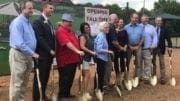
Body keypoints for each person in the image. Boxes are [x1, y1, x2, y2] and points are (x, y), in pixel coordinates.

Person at [9, 1, 39, 101]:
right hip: (19, 55)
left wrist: (31, 53)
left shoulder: (27, 22)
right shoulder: (18, 22)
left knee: (24, 83)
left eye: (32, 8)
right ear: (23, 9)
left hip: (27, 56)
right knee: (17, 84)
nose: (32, 10)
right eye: (29, 8)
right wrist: (32, 53)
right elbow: (19, 43)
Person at [56, 13, 84, 99]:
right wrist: (78, 51)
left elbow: (75, 42)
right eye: (68, 21)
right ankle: (62, 96)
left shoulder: (70, 31)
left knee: (70, 78)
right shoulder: (60, 31)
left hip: (73, 60)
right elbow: (68, 44)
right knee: (64, 79)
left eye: (71, 21)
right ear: (63, 21)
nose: (70, 23)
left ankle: (67, 93)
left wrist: (78, 52)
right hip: (65, 60)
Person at [32, 2, 55, 100]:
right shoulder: (37, 21)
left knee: (45, 78)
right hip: (41, 56)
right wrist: (50, 50)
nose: (52, 10)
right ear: (44, 8)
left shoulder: (49, 22)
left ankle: (43, 95)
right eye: (50, 8)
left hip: (48, 56)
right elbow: (39, 38)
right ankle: (37, 98)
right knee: (39, 78)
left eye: (53, 9)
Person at [124, 13, 144, 81]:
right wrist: (130, 46)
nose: (136, 19)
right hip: (129, 47)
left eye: (137, 18)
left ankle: (136, 78)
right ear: (131, 18)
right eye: (134, 18)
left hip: (138, 47)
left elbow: (143, 37)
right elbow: (124, 38)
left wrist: (138, 46)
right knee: (127, 63)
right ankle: (126, 78)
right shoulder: (126, 27)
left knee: (138, 63)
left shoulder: (140, 27)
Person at [94, 21, 113, 93]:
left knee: (101, 74)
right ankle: (100, 91)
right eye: (106, 27)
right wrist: (108, 51)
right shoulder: (101, 36)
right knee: (101, 74)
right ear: (102, 28)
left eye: (108, 27)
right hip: (100, 58)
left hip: (102, 58)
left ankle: (100, 90)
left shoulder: (103, 35)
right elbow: (99, 49)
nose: (108, 28)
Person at [153, 16, 172, 84]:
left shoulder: (165, 29)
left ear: (161, 22)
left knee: (162, 63)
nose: (158, 22)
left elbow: (168, 38)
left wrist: (170, 46)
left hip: (161, 48)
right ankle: (153, 76)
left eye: (160, 21)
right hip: (153, 48)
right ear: (155, 21)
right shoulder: (152, 28)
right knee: (153, 63)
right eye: (157, 21)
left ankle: (163, 78)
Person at [79, 22, 96, 99]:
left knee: (85, 75)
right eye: (86, 28)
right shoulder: (83, 36)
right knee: (87, 75)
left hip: (88, 57)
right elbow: (82, 47)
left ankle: (82, 90)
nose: (88, 28)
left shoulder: (90, 36)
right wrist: (91, 52)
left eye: (88, 27)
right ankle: (84, 92)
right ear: (83, 29)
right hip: (84, 58)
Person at [140, 15, 158, 83]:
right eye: (142, 19)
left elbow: (155, 37)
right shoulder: (138, 27)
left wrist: (153, 45)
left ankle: (146, 77)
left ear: (147, 20)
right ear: (141, 20)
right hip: (139, 48)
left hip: (148, 49)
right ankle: (140, 77)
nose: (144, 20)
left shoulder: (151, 27)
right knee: (139, 64)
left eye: (145, 19)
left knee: (148, 64)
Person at [112, 18, 128, 86]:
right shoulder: (114, 31)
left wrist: (125, 47)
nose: (121, 23)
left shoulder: (125, 31)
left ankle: (121, 80)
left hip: (123, 51)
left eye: (122, 22)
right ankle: (117, 79)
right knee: (116, 65)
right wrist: (118, 48)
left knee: (123, 64)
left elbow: (127, 41)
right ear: (117, 23)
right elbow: (114, 41)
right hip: (116, 51)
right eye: (120, 22)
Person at [104, 13, 119, 87]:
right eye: (115, 19)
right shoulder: (111, 27)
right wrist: (120, 47)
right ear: (110, 19)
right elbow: (114, 42)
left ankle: (106, 83)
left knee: (107, 67)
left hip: (106, 51)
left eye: (117, 19)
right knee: (108, 68)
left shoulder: (108, 27)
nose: (117, 20)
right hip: (108, 51)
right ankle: (105, 84)